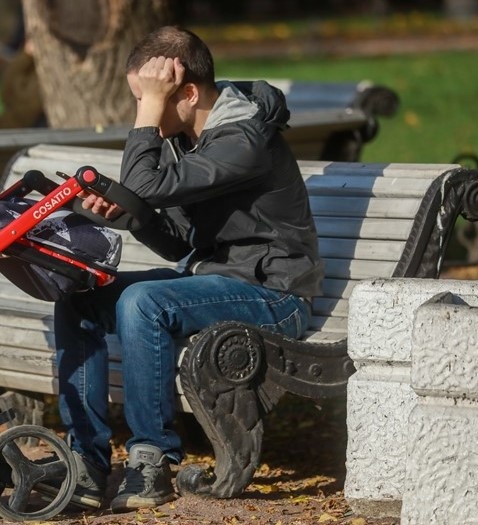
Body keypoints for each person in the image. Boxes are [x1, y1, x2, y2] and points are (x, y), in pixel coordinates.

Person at [52, 26, 324, 512]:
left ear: (189, 92)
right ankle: (86, 462)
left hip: (276, 295)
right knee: (80, 297)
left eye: (150, 99)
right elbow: (177, 238)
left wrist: (147, 122)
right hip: (216, 280)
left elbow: (144, 180)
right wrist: (128, 213)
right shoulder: (192, 140)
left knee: (144, 302)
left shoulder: (245, 138)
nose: (145, 113)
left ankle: (150, 459)